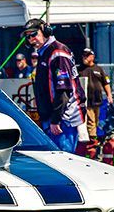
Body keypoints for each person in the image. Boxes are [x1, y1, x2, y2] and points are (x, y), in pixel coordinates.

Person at [24, 18, 86, 152]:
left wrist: (55, 120)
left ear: (45, 31)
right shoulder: (45, 52)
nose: (31, 39)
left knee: (62, 161)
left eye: (34, 34)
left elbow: (63, 90)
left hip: (62, 119)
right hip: (53, 117)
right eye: (28, 36)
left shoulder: (57, 52)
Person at [78, 48, 113, 141]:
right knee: (91, 121)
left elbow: (106, 83)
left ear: (92, 57)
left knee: (96, 121)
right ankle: (92, 140)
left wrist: (109, 95)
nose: (84, 58)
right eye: (83, 56)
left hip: (97, 100)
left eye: (87, 56)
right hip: (86, 101)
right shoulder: (80, 70)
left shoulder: (98, 69)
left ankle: (93, 136)